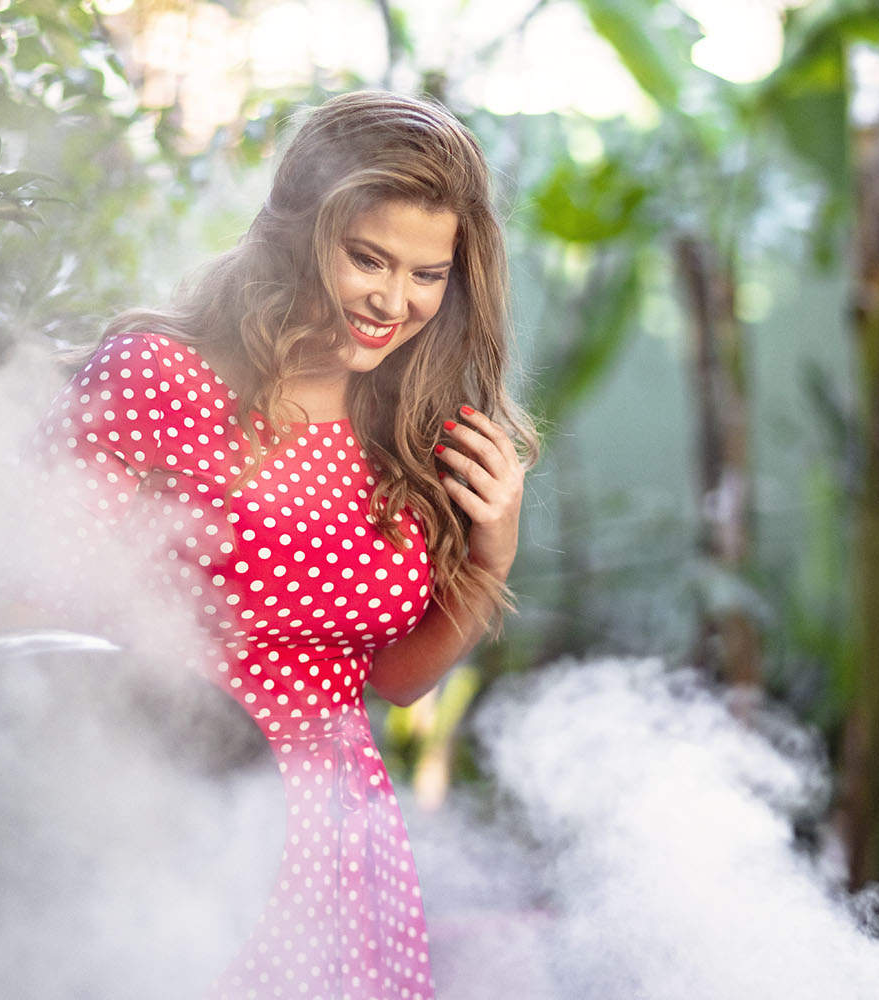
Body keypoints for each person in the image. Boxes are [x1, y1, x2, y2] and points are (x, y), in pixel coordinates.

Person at [37, 90, 535, 1000]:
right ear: (299, 231)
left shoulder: (411, 431)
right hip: (162, 814)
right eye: (367, 258)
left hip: (337, 844)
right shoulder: (160, 381)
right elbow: (30, 616)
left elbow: (392, 680)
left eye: (429, 275)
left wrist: (490, 555)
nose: (396, 301)